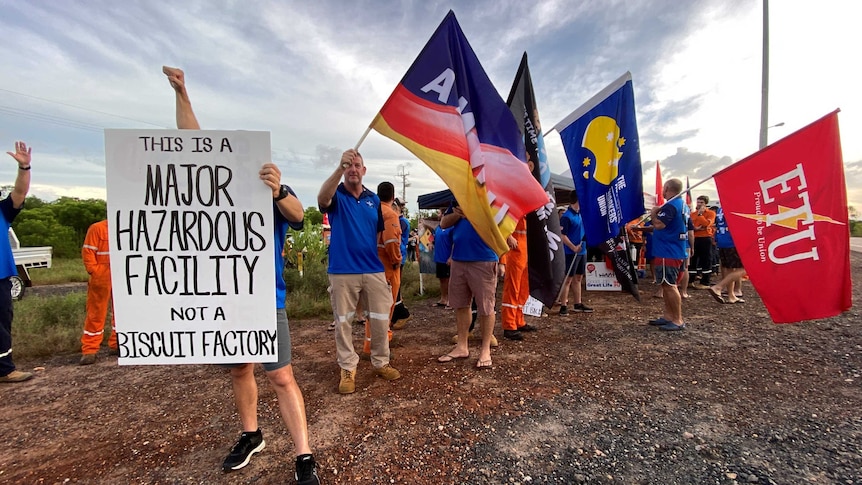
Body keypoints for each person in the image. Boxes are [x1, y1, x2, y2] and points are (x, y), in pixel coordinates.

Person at [163, 66, 319, 484]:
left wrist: (278, 190)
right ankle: (251, 435)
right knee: (238, 369)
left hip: (267, 299)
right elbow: (190, 145)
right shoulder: (211, 189)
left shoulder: (265, 189)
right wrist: (182, 94)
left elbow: (299, 214)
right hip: (227, 300)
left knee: (281, 375)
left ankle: (304, 455)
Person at [318, 148, 401, 394]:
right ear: (344, 169)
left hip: (373, 269)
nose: (353, 169)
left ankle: (380, 362)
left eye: (357, 166)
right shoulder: (336, 195)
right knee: (343, 322)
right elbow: (322, 200)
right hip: (342, 270)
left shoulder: (373, 200)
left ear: (364, 171)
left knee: (380, 319)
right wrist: (338, 169)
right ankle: (347, 368)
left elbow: (376, 233)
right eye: (348, 166)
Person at [437, 202, 498, 369]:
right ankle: (462, 346)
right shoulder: (458, 194)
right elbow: (443, 224)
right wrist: (459, 213)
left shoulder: (492, 196)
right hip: (458, 259)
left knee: (486, 307)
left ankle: (485, 350)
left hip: (484, 259)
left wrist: (474, 213)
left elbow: (500, 225)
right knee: (461, 305)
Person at [0, 141, 34, 384]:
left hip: (0, 276)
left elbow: (20, 193)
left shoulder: (3, 211)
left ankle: (4, 369)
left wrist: (24, 168)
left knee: (2, 321)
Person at [648, 179, 688, 331]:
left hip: (668, 251)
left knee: (670, 286)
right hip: (672, 249)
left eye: (664, 189)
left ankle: (677, 319)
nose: (662, 192)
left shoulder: (671, 205)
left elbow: (659, 224)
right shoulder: (682, 205)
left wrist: (653, 213)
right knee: (665, 285)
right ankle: (668, 316)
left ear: (668, 189)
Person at [79, 219, 117, 365]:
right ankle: (90, 349)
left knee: (121, 310)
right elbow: (88, 251)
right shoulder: (97, 228)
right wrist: (94, 271)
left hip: (122, 272)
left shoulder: (126, 224)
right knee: (96, 312)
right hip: (101, 275)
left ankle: (117, 343)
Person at [500, 216, 535, 341]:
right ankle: (509, 325)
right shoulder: (513, 207)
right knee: (512, 289)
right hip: (514, 253)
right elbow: (500, 223)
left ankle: (518, 320)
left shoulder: (529, 210)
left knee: (523, 290)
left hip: (525, 253)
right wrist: (508, 237)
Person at [559, 197, 593, 315]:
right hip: (570, 252)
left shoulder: (581, 214)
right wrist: (573, 247)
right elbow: (563, 236)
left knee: (578, 278)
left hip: (582, 251)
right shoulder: (566, 216)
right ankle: (563, 305)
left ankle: (578, 303)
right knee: (567, 279)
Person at [708, 206, 746, 304]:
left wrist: (716, 238)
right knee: (744, 269)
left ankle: (731, 295)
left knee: (729, 269)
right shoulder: (733, 206)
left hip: (722, 240)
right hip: (732, 242)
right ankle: (718, 287)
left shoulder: (721, 208)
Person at [390, 198, 411, 329]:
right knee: (393, 287)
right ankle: (396, 314)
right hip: (395, 255)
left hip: (398, 255)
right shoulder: (396, 220)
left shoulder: (401, 221)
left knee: (395, 286)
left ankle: (402, 313)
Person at [689, 195, 716, 289]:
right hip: (695, 238)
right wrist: (697, 228)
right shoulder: (692, 214)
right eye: (698, 202)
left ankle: (705, 282)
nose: (699, 204)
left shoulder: (711, 213)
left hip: (705, 238)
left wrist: (700, 215)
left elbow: (707, 224)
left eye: (701, 203)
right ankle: (690, 280)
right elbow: (691, 226)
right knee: (693, 259)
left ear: (706, 204)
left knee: (706, 259)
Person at [433, 213, 452, 308]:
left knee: (449, 280)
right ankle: (443, 299)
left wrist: (451, 257)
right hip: (439, 257)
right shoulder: (438, 228)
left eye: (439, 212)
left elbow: (455, 243)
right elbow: (434, 238)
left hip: (447, 258)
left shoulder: (451, 228)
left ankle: (450, 300)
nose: (438, 214)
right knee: (442, 279)